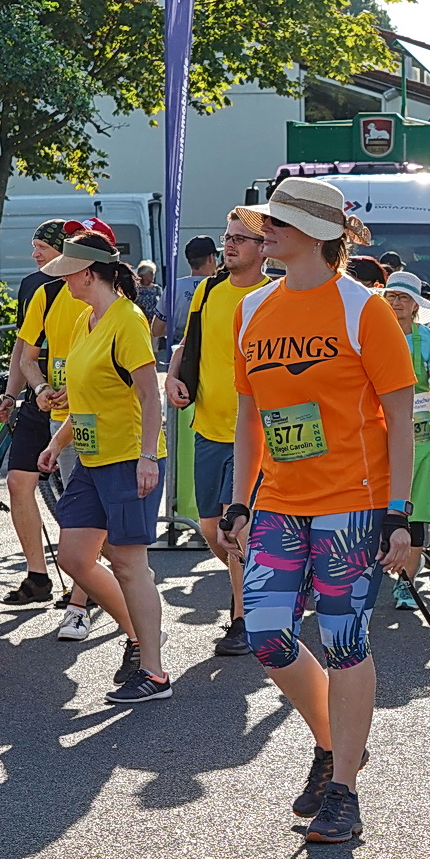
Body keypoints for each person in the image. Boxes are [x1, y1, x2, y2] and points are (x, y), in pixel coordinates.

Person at [221, 176, 414, 844]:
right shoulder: (252, 310)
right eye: (266, 220)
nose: (264, 231)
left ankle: (345, 791)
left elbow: (398, 416)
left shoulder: (365, 309)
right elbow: (251, 412)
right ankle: (335, 744)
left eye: (279, 222)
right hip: (278, 499)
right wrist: (240, 498)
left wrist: (401, 512)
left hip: (352, 503)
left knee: (342, 640)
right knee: (268, 636)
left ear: (320, 235)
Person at [32, 230, 170, 701]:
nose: (61, 281)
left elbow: (151, 395)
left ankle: (152, 670)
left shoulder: (128, 320)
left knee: (130, 564)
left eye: (66, 273)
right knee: (74, 558)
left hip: (129, 458)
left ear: (87, 273)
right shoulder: (85, 319)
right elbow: (85, 397)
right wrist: (56, 441)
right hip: (92, 458)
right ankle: (140, 635)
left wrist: (148, 456)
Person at [166, 209, 271, 656]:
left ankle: (243, 618)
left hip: (258, 433)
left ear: (264, 247)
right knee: (212, 530)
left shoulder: (275, 294)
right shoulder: (207, 291)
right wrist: (172, 377)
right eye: (227, 239)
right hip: (207, 427)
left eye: (240, 240)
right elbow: (190, 343)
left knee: (236, 525)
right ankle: (265, 586)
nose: (228, 246)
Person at [15, 219, 107, 635]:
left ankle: (89, 597)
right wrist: (38, 389)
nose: (39, 256)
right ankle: (75, 597)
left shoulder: (115, 300)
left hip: (105, 419)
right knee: (73, 507)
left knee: (95, 517)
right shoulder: (46, 292)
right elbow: (27, 355)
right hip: (60, 416)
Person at [0, 219, 70, 608]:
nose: (35, 254)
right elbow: (25, 348)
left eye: (42, 246)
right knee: (19, 482)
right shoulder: (33, 286)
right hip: (40, 401)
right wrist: (13, 395)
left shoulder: (90, 286)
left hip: (80, 407)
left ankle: (83, 581)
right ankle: (37, 575)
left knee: (77, 495)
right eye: (34, 246)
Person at [382, 271, 430, 606]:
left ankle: (407, 583)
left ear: (416, 306)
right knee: (373, 507)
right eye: (391, 296)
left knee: (417, 510)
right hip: (379, 432)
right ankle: (366, 577)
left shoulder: (428, 341)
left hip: (424, 436)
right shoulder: (370, 334)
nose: (396, 303)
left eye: (403, 298)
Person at [170, 235, 220, 341]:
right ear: (211, 258)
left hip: (180, 351)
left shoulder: (174, 287)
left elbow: (157, 329)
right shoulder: (220, 287)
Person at [133, 260, 166, 339]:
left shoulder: (157, 289)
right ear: (143, 275)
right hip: (140, 324)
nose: (153, 275)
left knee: (154, 348)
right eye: (151, 273)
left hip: (154, 324)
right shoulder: (136, 289)